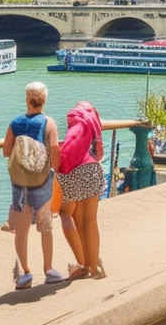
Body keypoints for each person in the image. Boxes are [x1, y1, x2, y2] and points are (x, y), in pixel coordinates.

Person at [3, 81, 62, 289]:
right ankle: (49, 270)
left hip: (20, 183)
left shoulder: (15, 122)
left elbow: (6, 151)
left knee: (22, 230)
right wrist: (55, 168)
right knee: (45, 227)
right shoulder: (48, 122)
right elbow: (54, 147)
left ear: (27, 99)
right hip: (42, 181)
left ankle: (26, 274)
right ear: (44, 100)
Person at [56, 100, 106, 280]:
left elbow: (68, 152)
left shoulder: (76, 125)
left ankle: (84, 265)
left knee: (75, 218)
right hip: (93, 169)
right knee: (90, 221)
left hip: (75, 173)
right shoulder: (93, 125)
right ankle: (95, 267)